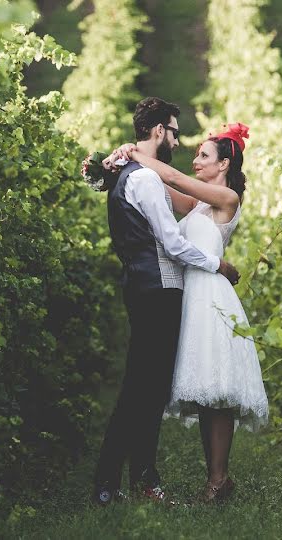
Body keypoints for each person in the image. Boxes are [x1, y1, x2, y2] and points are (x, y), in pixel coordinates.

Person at [91, 97, 241, 506]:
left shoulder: (219, 201)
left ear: (224, 165)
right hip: (164, 291)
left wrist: (132, 154)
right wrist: (129, 157)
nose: (183, 144)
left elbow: (171, 180)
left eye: (204, 154)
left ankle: (171, 478)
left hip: (186, 294)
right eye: (175, 132)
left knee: (155, 389)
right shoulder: (150, 182)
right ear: (160, 130)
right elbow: (173, 239)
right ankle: (126, 480)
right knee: (144, 389)